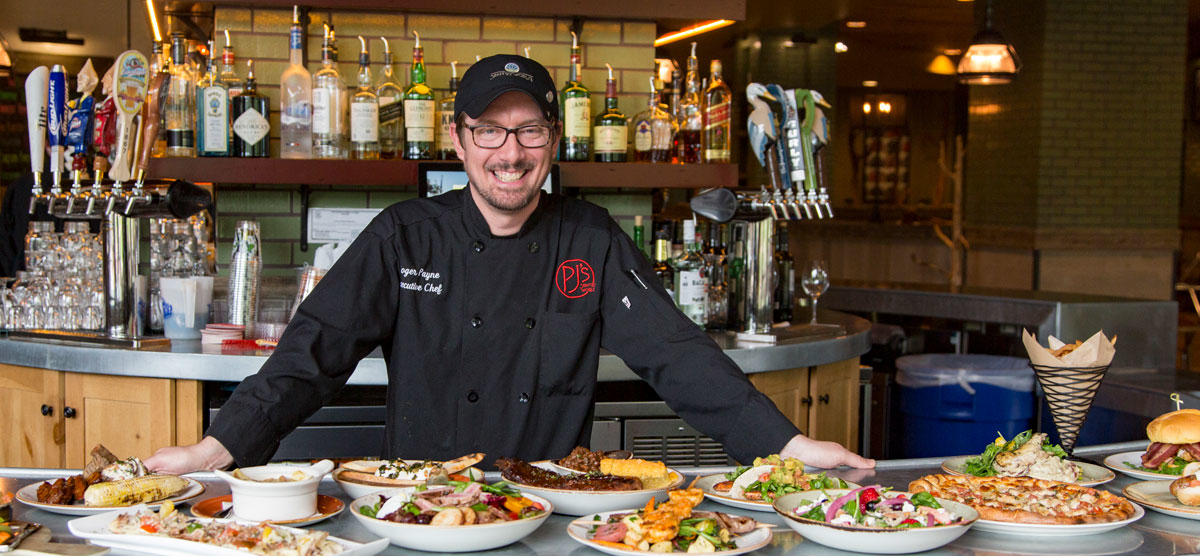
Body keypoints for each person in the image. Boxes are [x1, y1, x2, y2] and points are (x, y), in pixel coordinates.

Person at [146, 55, 873, 474]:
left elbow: (677, 353)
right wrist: (218, 447)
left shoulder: (588, 239)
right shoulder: (405, 236)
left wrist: (787, 445)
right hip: (424, 508)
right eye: (490, 130)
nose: (510, 151)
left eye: (527, 129)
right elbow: (312, 351)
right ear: (459, 142)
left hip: (550, 507)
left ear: (552, 141)